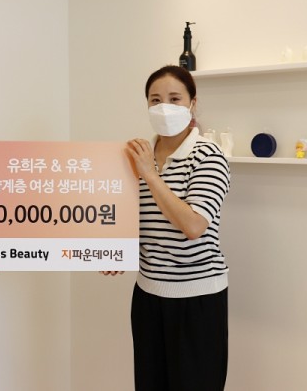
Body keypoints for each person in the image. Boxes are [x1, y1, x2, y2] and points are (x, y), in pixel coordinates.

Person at [105, 65, 231, 391]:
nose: (164, 107)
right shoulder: (135, 156)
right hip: (147, 296)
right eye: (155, 99)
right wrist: (115, 252)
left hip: (197, 299)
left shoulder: (209, 156)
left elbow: (193, 225)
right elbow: (133, 218)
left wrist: (149, 173)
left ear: (192, 103)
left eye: (175, 99)